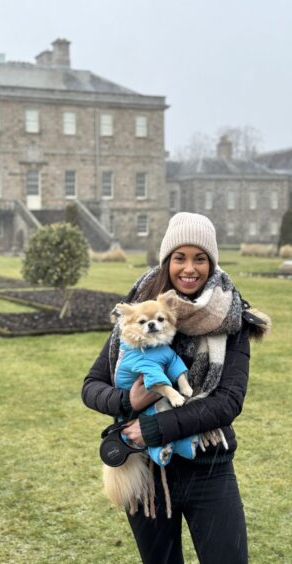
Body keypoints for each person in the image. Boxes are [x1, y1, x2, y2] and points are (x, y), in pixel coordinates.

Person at [81, 212, 270, 564]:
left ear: (211, 263)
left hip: (208, 466)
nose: (189, 268)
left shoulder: (231, 317)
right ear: (168, 260)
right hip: (147, 474)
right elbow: (91, 386)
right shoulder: (140, 310)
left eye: (200, 258)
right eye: (180, 257)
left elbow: (227, 402)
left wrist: (152, 428)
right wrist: (127, 398)